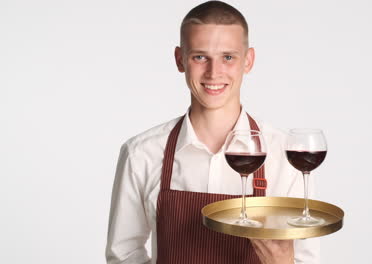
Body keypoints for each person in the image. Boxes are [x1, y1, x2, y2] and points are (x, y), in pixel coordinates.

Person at [106, 1, 320, 263]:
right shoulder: (141, 153)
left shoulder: (285, 154)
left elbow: (306, 260)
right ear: (179, 59)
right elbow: (123, 254)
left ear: (248, 60)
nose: (214, 72)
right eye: (200, 57)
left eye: (228, 57)